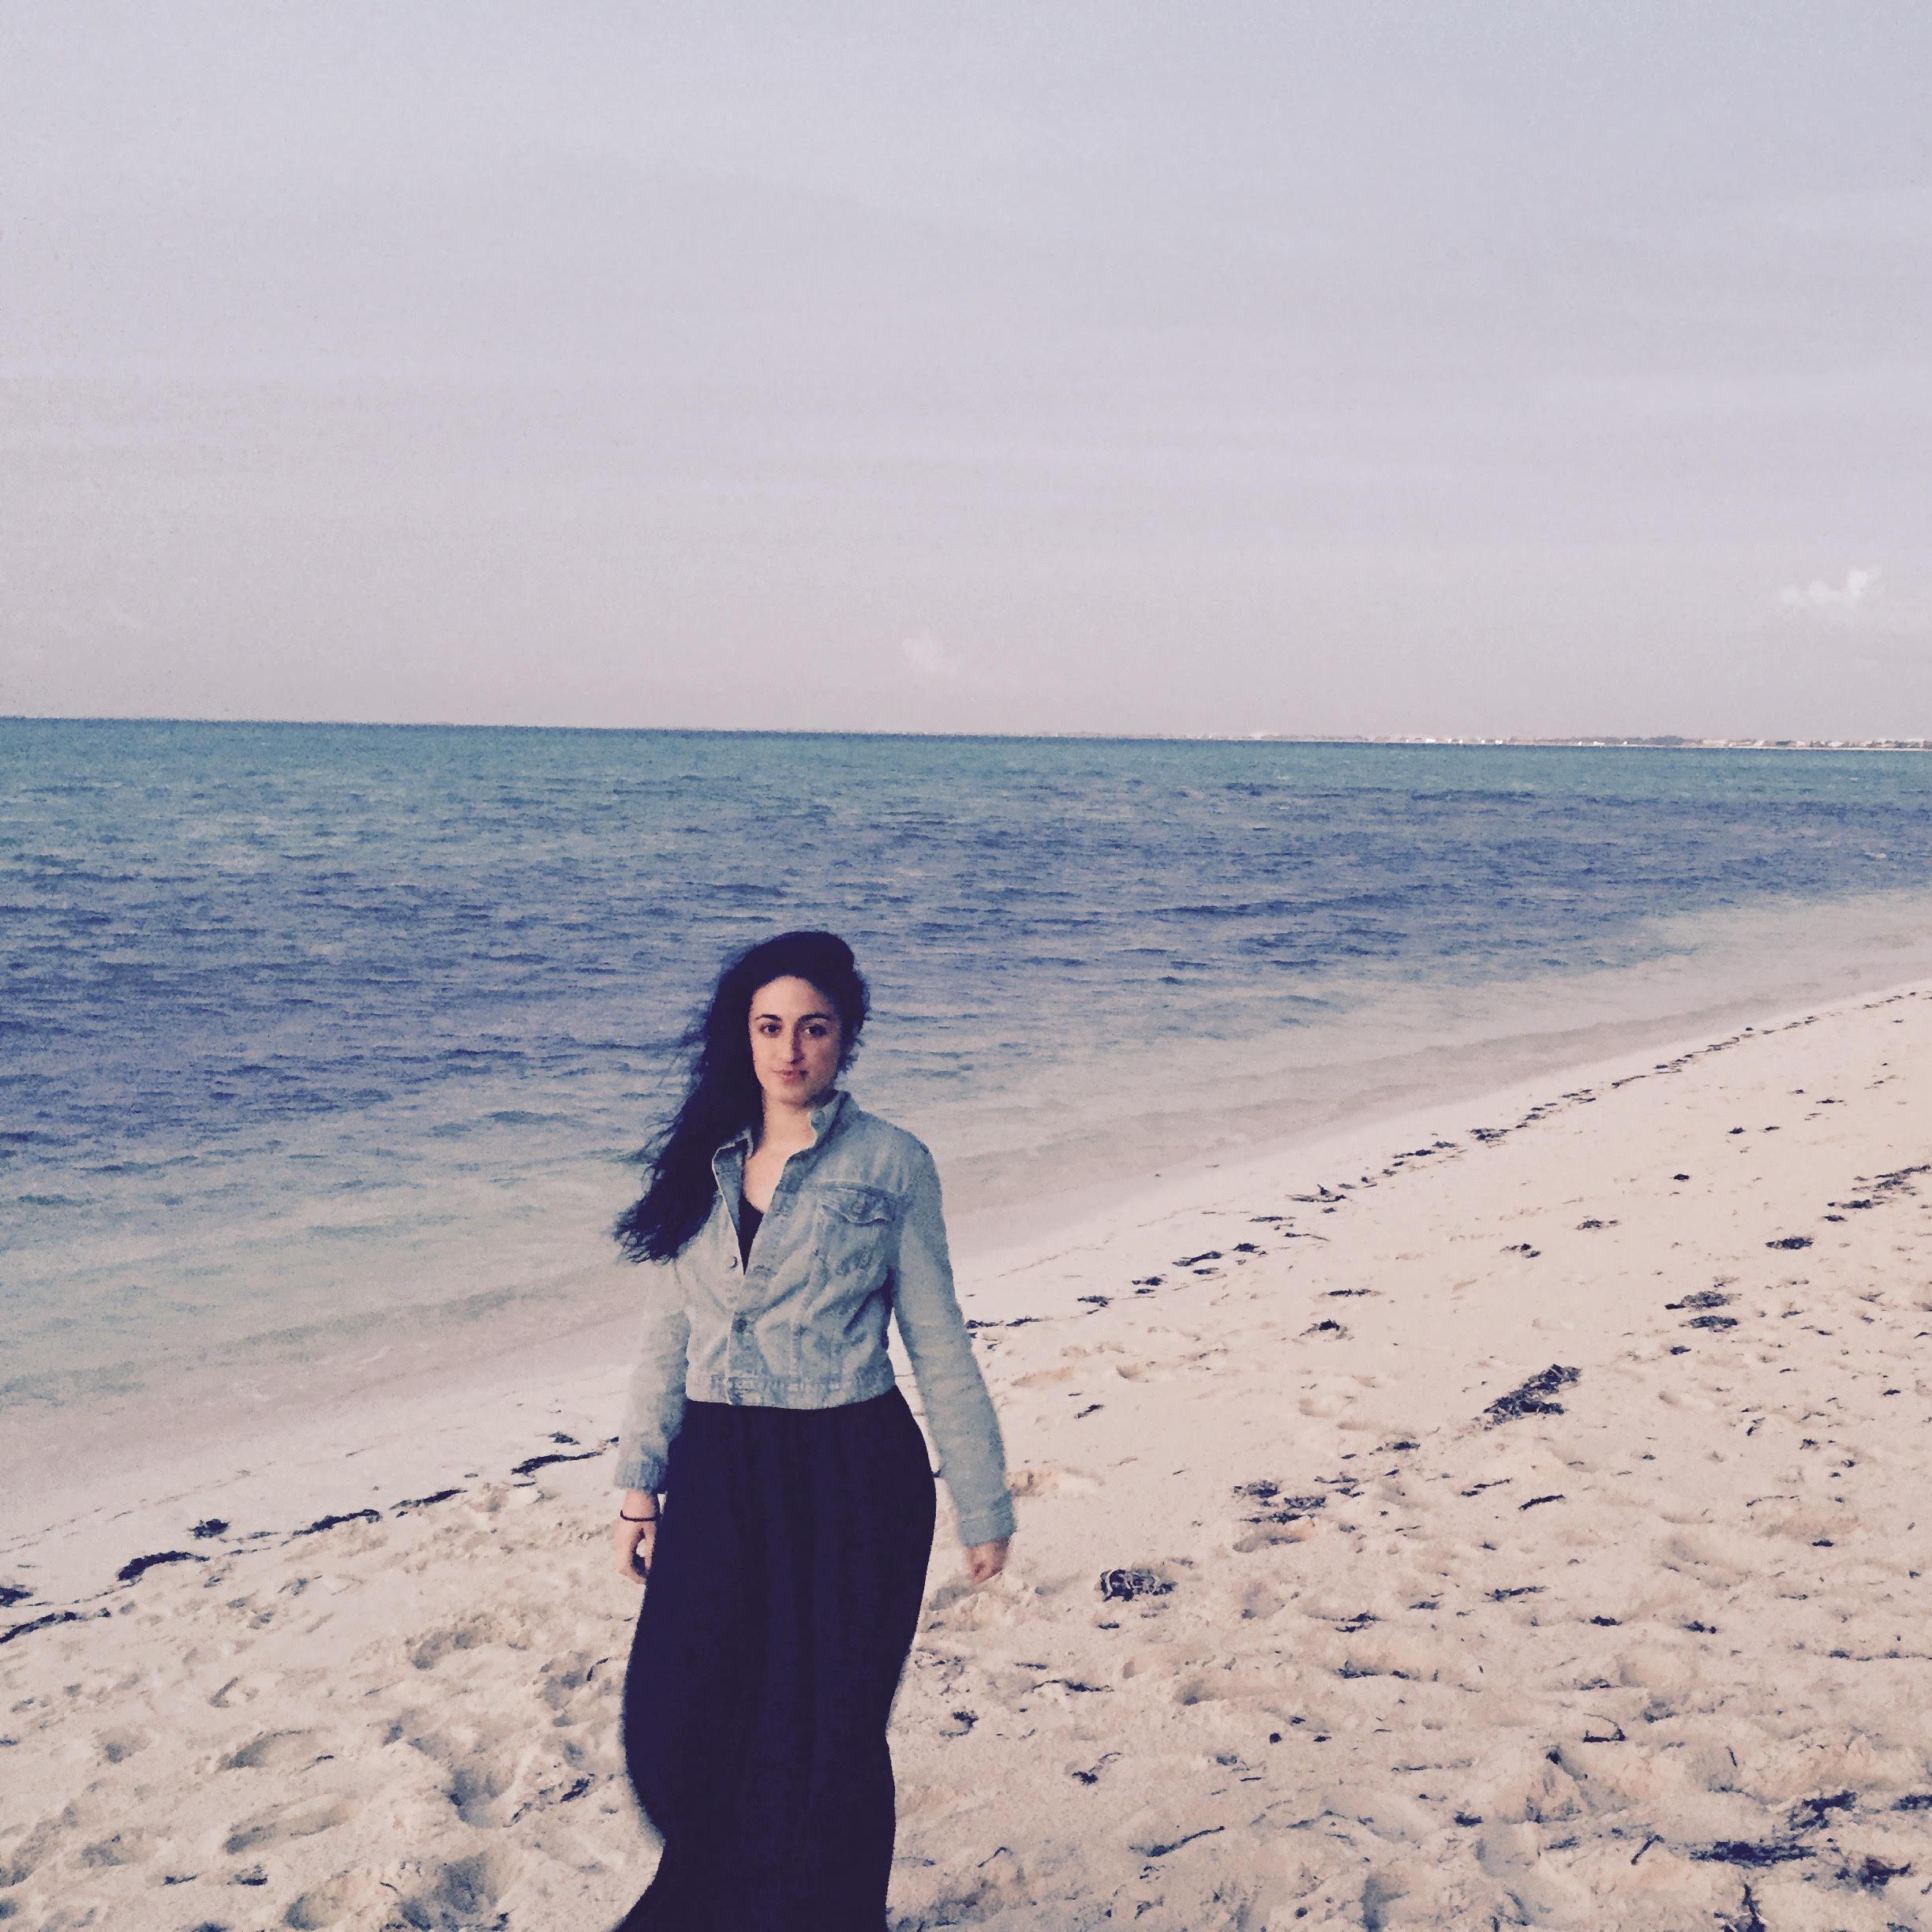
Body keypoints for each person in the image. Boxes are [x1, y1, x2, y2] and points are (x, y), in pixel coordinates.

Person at [605, 929, 1017, 1930]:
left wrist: (981, 1497)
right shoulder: (702, 1162)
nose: (791, 1049)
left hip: (849, 1473)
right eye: (770, 1027)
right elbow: (672, 1330)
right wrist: (638, 1480)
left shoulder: (893, 1163)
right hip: (718, 1471)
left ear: (847, 1038)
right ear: (743, 1038)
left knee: (830, 1733)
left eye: (814, 1028)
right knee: (679, 1717)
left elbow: (935, 1334)